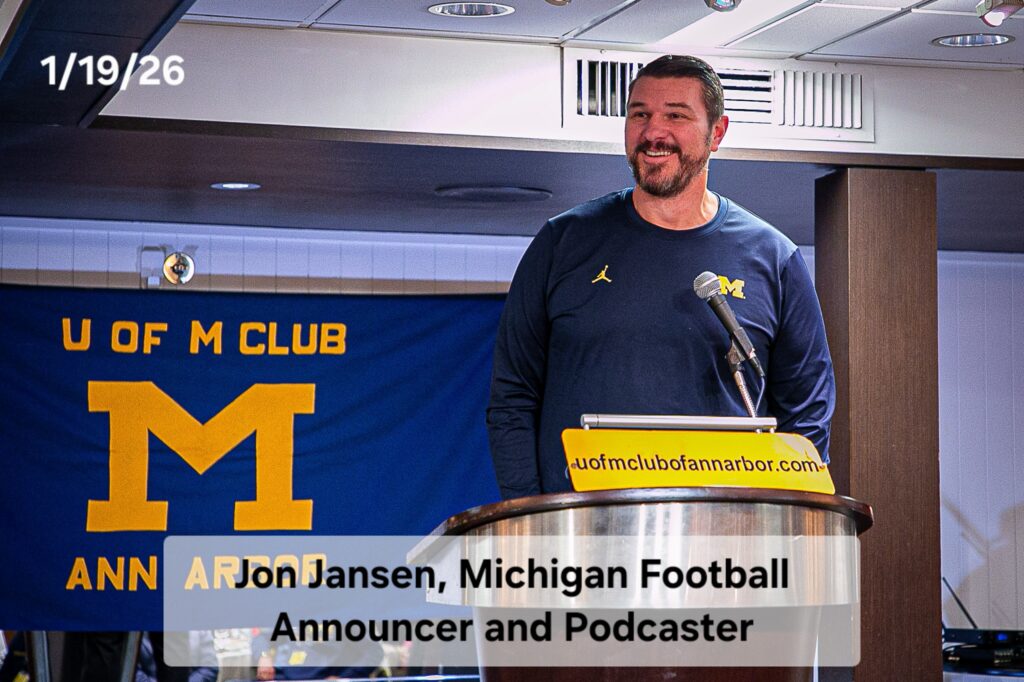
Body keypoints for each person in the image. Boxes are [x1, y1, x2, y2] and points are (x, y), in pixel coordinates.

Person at [486, 55, 835, 500]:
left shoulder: (773, 258)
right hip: (583, 529)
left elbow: (807, 413)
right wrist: (532, 514)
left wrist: (770, 518)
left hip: (722, 529)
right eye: (640, 115)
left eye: (676, 116)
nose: (653, 132)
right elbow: (512, 397)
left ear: (717, 133)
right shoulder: (562, 243)